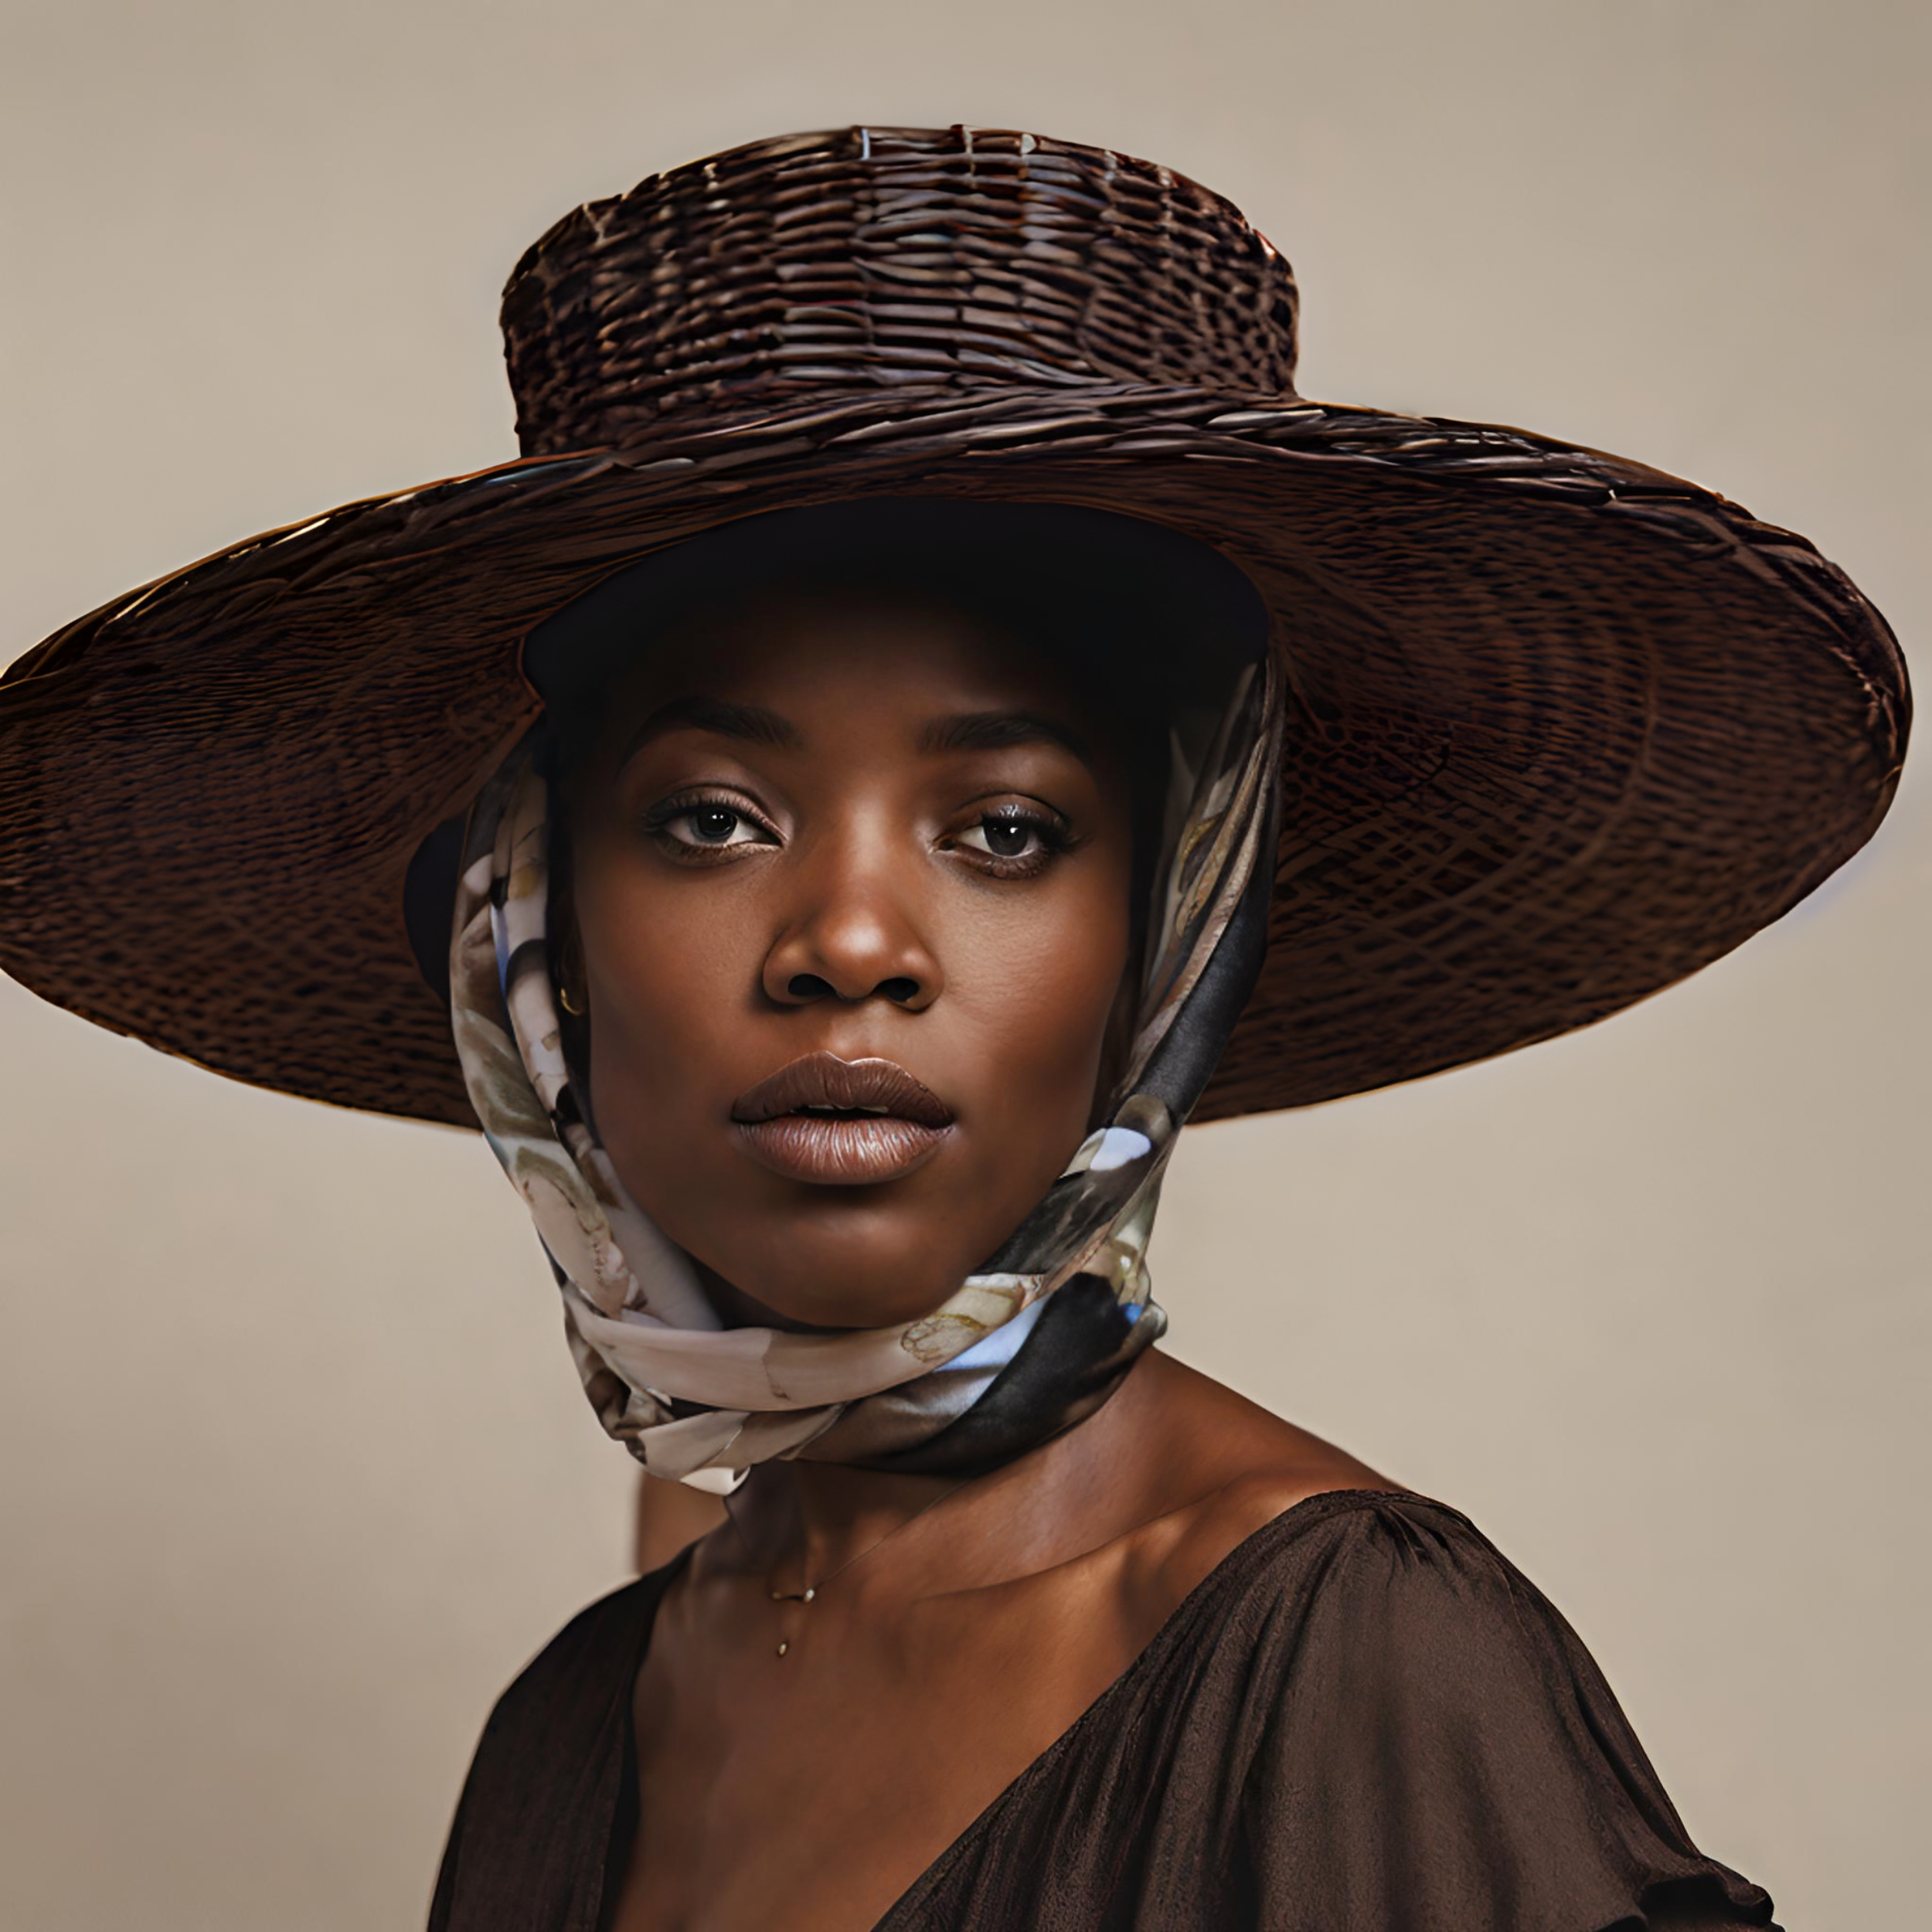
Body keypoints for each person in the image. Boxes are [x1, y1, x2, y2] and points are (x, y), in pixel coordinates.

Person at [0, 126, 1906, 1930]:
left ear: (1164, 940)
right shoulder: (575, 1724)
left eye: (1004, 829)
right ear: (537, 941)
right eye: (713, 819)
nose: (844, 938)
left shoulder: (1356, 1666)